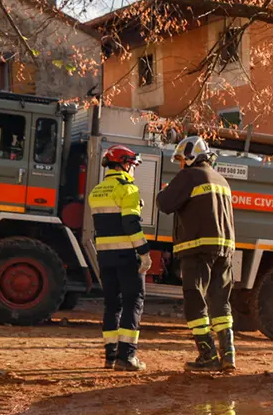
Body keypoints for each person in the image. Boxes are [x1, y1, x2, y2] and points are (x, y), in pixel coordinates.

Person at [157, 135, 237, 372]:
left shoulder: (189, 176)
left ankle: (208, 355)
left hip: (197, 248)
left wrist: (167, 190)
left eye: (182, 159)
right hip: (225, 249)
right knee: (221, 301)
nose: (180, 164)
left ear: (192, 157)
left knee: (195, 300)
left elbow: (165, 203)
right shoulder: (222, 179)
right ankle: (228, 355)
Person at [88, 145, 150, 372]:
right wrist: (144, 252)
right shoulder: (128, 189)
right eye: (132, 165)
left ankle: (111, 356)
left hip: (104, 256)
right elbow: (130, 224)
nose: (132, 170)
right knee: (134, 301)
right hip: (127, 255)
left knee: (112, 304)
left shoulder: (97, 191)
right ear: (124, 164)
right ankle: (127, 356)